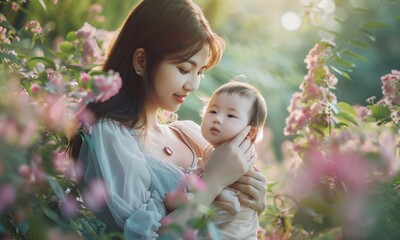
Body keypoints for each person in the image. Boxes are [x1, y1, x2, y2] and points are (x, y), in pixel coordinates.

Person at [67, 0, 267, 239]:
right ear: (141, 61)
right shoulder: (111, 136)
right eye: (184, 69)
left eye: (200, 72)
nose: (193, 85)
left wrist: (254, 198)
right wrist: (212, 182)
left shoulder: (190, 133)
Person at [198, 80, 268, 240]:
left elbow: (230, 207)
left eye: (231, 115)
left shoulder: (241, 164)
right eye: (213, 111)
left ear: (249, 133)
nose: (217, 119)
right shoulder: (212, 152)